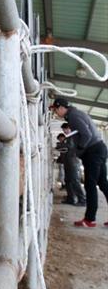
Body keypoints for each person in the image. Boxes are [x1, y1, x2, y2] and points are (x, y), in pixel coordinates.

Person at [50, 97, 108, 227]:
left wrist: (79, 149)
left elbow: (86, 135)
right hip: (99, 148)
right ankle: (90, 218)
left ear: (61, 108)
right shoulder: (75, 114)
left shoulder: (73, 117)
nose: (55, 113)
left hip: (93, 151)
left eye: (55, 110)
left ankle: (89, 219)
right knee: (103, 183)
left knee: (90, 185)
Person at [60, 123, 86, 206]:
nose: (64, 131)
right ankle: (71, 198)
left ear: (69, 128)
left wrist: (61, 145)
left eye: (65, 129)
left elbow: (70, 146)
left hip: (73, 162)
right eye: (63, 130)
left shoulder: (73, 137)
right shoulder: (68, 137)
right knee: (68, 180)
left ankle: (82, 199)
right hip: (68, 162)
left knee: (75, 180)